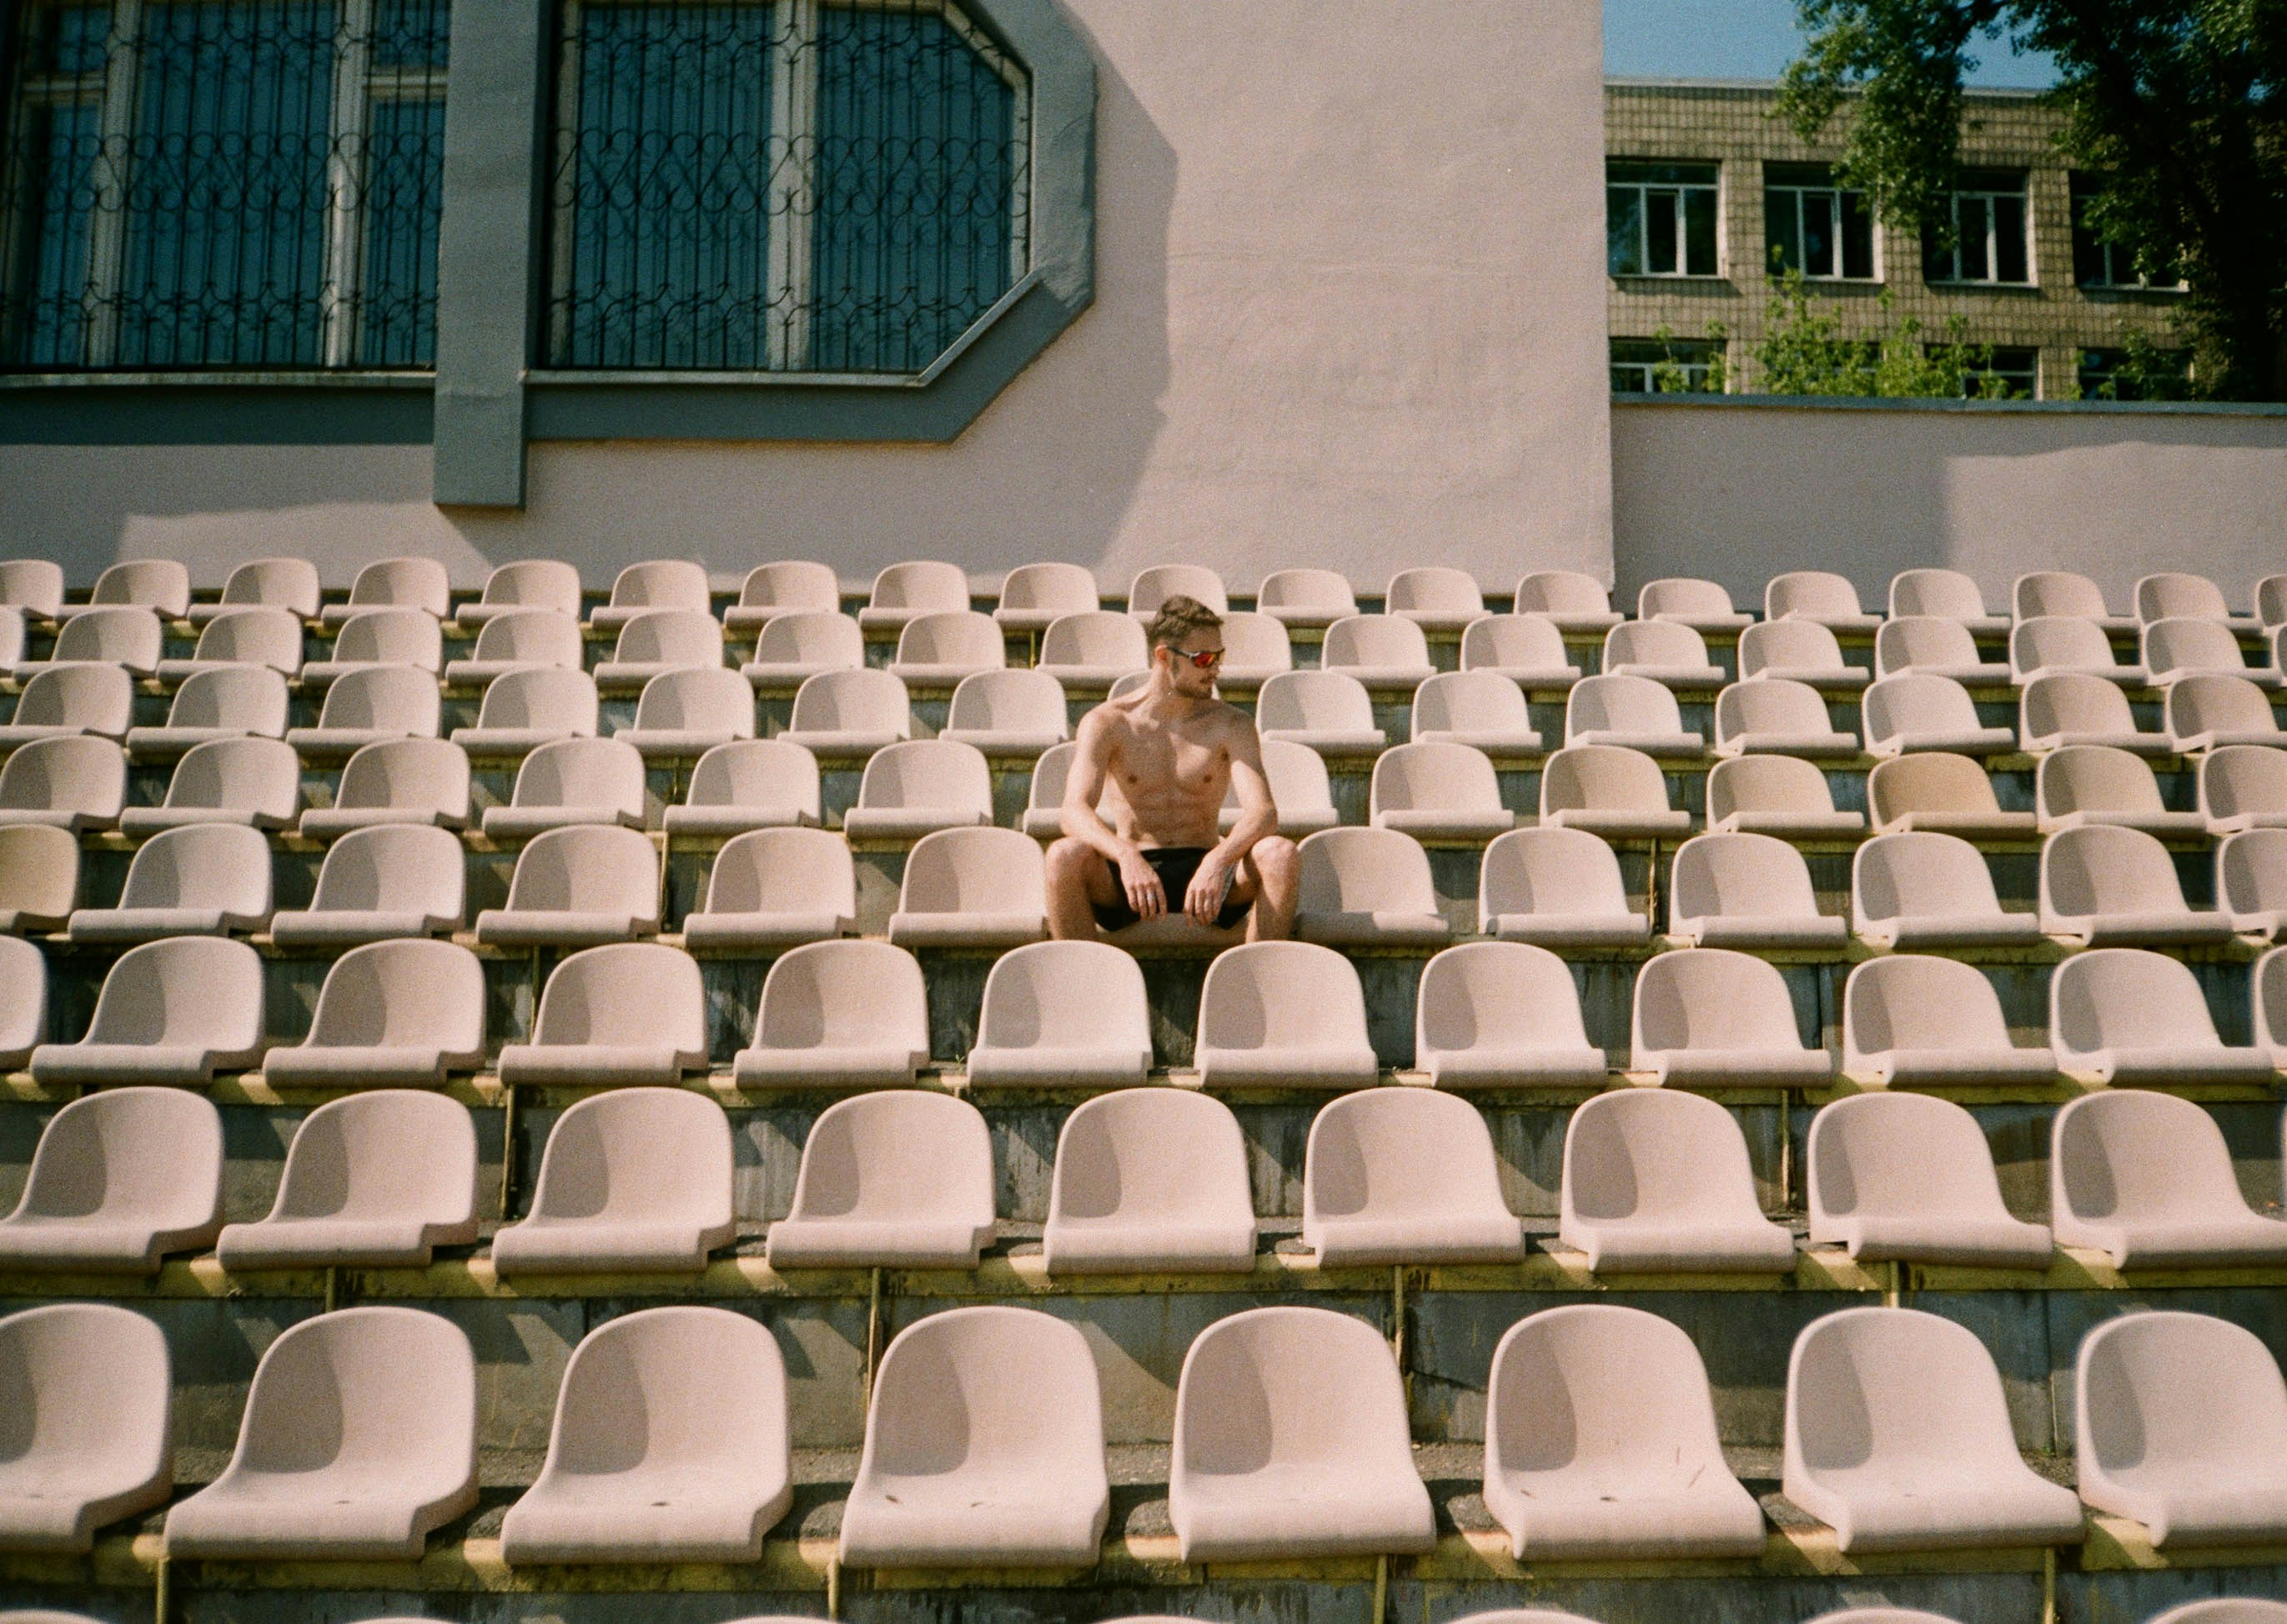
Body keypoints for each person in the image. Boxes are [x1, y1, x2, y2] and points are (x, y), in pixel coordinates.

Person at [1047, 594, 1299, 942]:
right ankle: (1079, 985)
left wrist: (1217, 861)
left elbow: (1264, 813)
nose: (1215, 669)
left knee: (1279, 854)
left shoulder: (1231, 724)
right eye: (1204, 659)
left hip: (1208, 867)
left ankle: (1257, 976)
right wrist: (1126, 855)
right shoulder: (1108, 722)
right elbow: (1072, 812)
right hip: (1132, 870)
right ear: (1164, 657)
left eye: (1219, 656)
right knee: (1063, 856)